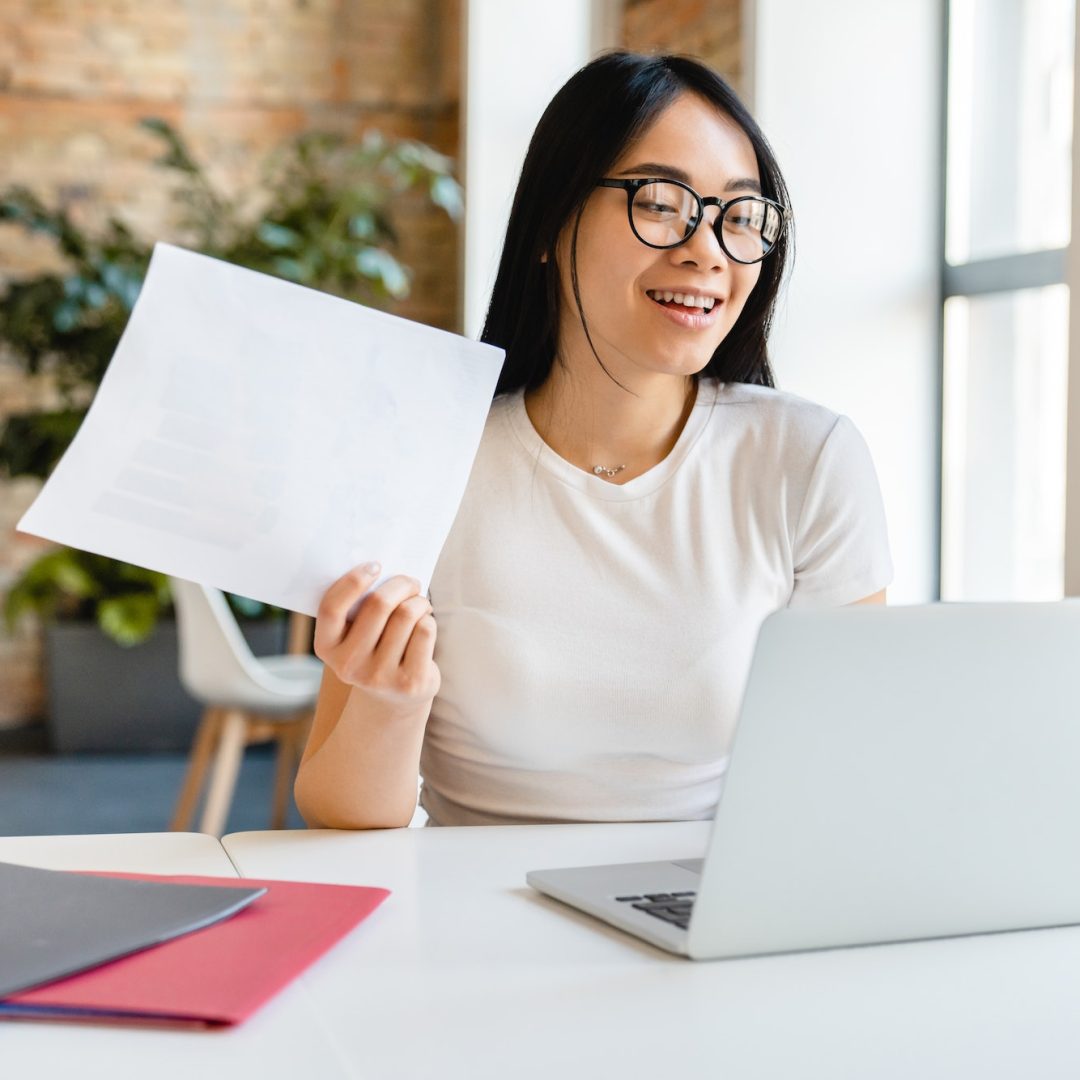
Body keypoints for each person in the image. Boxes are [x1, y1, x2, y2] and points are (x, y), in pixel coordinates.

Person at [294, 51, 893, 830]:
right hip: (475, 929)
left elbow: (851, 775)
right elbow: (337, 815)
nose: (707, 250)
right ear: (551, 221)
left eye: (740, 215)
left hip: (712, 920)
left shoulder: (809, 460)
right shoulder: (425, 454)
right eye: (661, 200)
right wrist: (386, 701)